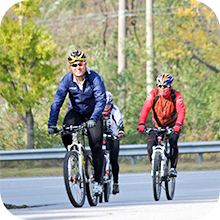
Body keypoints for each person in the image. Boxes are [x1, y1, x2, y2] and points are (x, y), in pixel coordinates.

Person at [47, 50, 106, 195]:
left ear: (85, 64)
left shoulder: (94, 78)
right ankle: (73, 155)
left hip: (93, 113)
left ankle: (98, 181)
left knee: (96, 145)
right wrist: (51, 123)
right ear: (70, 67)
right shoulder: (67, 80)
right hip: (76, 112)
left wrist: (94, 118)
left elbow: (101, 100)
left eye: (80, 64)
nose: (77, 67)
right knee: (65, 131)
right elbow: (57, 102)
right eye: (74, 65)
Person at [137, 73, 185, 177]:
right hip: (157, 125)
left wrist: (178, 124)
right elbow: (145, 108)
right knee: (150, 146)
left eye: (165, 86)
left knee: (173, 142)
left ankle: (172, 168)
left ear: (170, 86)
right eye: (160, 86)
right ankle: (155, 166)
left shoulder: (176, 95)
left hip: (172, 125)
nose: (162, 89)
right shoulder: (153, 94)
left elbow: (181, 111)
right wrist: (141, 123)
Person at [102, 91, 125, 195]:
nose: (106, 107)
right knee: (96, 156)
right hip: (101, 136)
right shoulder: (97, 110)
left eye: (108, 104)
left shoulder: (114, 110)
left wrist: (121, 131)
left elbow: (119, 120)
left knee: (114, 160)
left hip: (113, 136)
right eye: (104, 104)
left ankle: (115, 182)